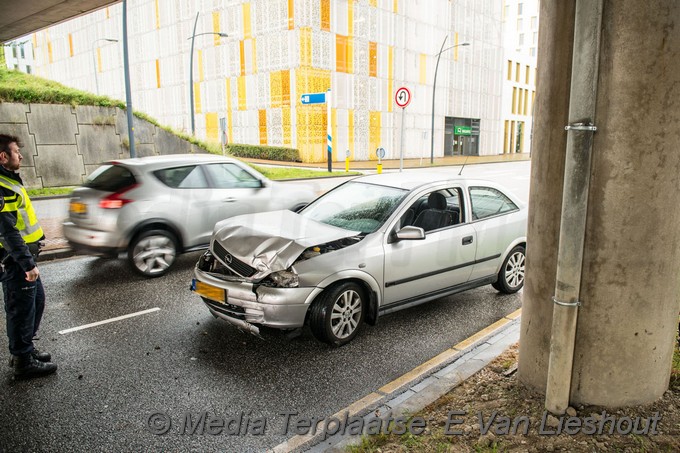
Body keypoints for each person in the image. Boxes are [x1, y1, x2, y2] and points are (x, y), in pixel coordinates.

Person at [0, 134, 56, 379]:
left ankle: (25, 350)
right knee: (21, 310)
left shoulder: (8, 180)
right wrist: (27, 263)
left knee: (36, 303)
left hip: (24, 260)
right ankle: (23, 361)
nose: (20, 156)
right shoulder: (2, 187)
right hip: (17, 262)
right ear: (3, 157)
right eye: (16, 152)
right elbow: (7, 231)